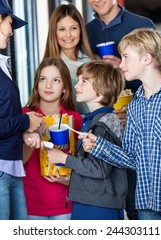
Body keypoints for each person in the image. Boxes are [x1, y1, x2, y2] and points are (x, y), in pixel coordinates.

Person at [79, 0, 161, 220]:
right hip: (111, 124)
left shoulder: (142, 25)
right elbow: (132, 156)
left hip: (138, 115)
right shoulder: (87, 32)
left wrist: (132, 109)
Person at [47, 60, 128, 220]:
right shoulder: (93, 120)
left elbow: (99, 169)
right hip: (91, 199)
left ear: (102, 91)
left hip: (98, 205)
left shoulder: (102, 125)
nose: (77, 86)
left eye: (84, 81)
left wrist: (64, 158)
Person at [22, 57, 82, 220]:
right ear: (37, 84)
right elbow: (19, 161)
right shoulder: (24, 115)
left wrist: (70, 181)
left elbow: (80, 162)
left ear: (64, 88)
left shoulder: (74, 118)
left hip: (64, 202)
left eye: (56, 80)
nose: (48, 86)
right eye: (43, 79)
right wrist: (31, 137)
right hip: (30, 203)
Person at [0, 0, 43, 220]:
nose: (11, 31)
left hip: (12, 168)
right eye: (9, 24)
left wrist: (24, 130)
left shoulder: (2, 65)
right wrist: (25, 122)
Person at [42, 4, 96, 116]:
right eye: (62, 29)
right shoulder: (48, 69)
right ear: (54, 32)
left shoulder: (94, 62)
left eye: (74, 28)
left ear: (81, 30)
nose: (68, 35)